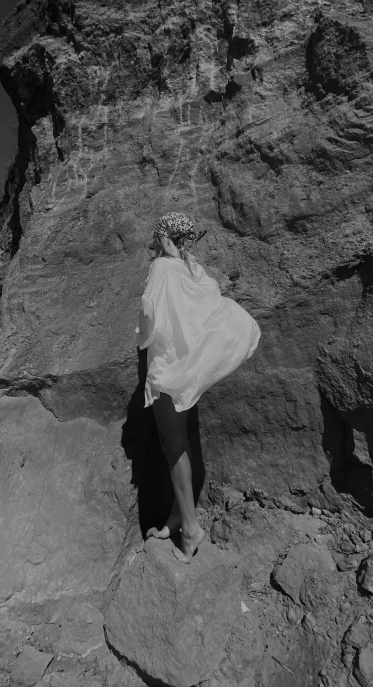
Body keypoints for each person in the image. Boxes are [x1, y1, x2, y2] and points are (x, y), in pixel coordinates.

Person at [136, 212, 260, 563]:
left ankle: (190, 528)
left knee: (172, 444)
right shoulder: (194, 270)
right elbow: (207, 306)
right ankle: (178, 516)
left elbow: (150, 315)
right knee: (181, 442)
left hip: (167, 369)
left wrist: (142, 335)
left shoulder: (162, 268)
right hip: (189, 368)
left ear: (162, 239)